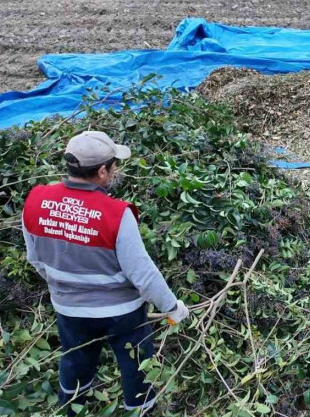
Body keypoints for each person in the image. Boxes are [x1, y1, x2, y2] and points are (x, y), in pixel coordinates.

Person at [22, 131, 189, 415]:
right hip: (121, 312)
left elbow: (35, 258)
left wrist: (64, 287)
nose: (114, 171)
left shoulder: (37, 200)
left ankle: (72, 409)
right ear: (101, 171)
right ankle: (139, 411)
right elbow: (142, 273)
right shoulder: (116, 213)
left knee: (75, 359)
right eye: (113, 166)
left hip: (68, 308)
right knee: (136, 363)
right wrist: (172, 307)